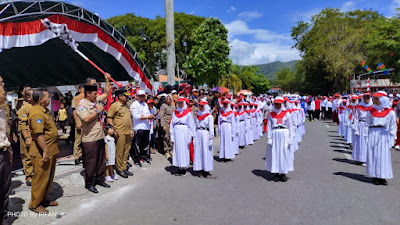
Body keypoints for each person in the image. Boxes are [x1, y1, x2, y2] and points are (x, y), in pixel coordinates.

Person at [77, 76, 111, 193]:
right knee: (91, 162)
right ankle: (90, 183)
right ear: (87, 94)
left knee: (101, 160)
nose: (96, 95)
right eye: (94, 94)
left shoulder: (96, 101)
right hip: (89, 138)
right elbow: (86, 119)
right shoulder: (82, 105)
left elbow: (106, 93)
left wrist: (107, 81)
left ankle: (100, 179)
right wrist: (97, 111)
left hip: (99, 136)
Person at [28, 89, 60, 213]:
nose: (50, 99)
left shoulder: (45, 111)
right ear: (41, 99)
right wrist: (45, 151)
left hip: (51, 150)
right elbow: (38, 134)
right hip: (42, 152)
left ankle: (44, 199)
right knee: (40, 178)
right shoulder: (37, 113)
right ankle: (35, 204)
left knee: (48, 177)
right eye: (48, 97)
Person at [364, 91, 397, 185]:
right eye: (374, 99)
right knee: (374, 155)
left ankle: (383, 176)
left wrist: (392, 139)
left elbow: (393, 127)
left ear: (383, 100)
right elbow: (367, 124)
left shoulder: (390, 112)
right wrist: (366, 136)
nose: (374, 101)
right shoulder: (371, 111)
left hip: (384, 135)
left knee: (383, 156)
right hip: (373, 133)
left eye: (377, 99)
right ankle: (375, 176)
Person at [265, 97, 294, 182]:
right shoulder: (271, 114)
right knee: (275, 153)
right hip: (275, 134)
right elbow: (269, 127)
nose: (277, 105)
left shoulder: (287, 114)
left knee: (283, 152)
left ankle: (283, 173)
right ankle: (276, 173)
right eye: (276, 104)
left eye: (279, 104)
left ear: (282, 104)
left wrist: (291, 138)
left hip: (284, 133)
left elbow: (290, 126)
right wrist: (269, 138)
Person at [107, 89, 134, 178]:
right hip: (120, 132)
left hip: (127, 131)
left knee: (126, 151)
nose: (127, 97)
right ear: (120, 96)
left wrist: (131, 129)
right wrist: (114, 129)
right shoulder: (115, 106)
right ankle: (119, 169)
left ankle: (124, 166)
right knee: (120, 151)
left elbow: (129, 119)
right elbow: (109, 118)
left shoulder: (126, 106)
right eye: (125, 96)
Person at [170, 97, 195, 176]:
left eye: (181, 103)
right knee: (178, 149)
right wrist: (172, 135)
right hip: (177, 131)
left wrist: (190, 136)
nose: (180, 104)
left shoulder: (188, 113)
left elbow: (191, 125)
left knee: (184, 149)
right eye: (179, 103)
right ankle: (179, 167)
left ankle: (184, 167)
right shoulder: (175, 112)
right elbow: (172, 124)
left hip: (184, 131)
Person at [130, 90, 154, 166]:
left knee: (145, 144)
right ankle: (136, 159)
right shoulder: (134, 105)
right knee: (137, 144)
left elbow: (147, 113)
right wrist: (147, 116)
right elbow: (136, 116)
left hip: (146, 127)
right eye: (140, 96)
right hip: (138, 127)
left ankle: (143, 157)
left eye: (143, 96)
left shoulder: (145, 104)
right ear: (136, 96)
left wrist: (150, 116)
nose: (142, 97)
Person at [16, 86, 34, 186]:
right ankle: (29, 177)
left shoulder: (35, 106)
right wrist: (26, 137)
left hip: (34, 135)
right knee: (27, 156)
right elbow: (22, 124)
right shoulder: (24, 107)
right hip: (26, 135)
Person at [193, 100, 214, 177]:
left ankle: (206, 169)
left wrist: (211, 138)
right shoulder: (197, 115)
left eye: (202, 106)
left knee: (206, 151)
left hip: (205, 134)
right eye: (200, 106)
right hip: (198, 133)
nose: (201, 108)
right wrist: (194, 137)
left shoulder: (209, 116)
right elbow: (194, 126)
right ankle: (200, 168)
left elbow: (211, 127)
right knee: (199, 151)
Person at [0, 85, 12, 223]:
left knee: (5, 187)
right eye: (3, 91)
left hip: (3, 152)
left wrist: (8, 148)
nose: (5, 93)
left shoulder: (2, 110)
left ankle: (3, 215)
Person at [353, 93, 372, 167]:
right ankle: (361, 158)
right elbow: (356, 118)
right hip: (361, 125)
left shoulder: (372, 107)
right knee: (361, 143)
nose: (366, 99)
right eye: (365, 98)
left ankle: (367, 160)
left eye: (368, 98)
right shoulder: (359, 107)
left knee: (368, 144)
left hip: (369, 126)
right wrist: (356, 129)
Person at [71, 84, 85, 165]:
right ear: (79, 90)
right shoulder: (75, 99)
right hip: (79, 121)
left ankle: (83, 155)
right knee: (78, 139)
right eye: (83, 89)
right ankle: (76, 156)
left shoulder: (87, 98)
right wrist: (77, 122)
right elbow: (74, 111)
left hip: (87, 122)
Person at [159, 95, 174, 163]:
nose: (168, 100)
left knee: (171, 138)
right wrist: (163, 125)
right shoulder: (163, 106)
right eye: (167, 99)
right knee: (166, 137)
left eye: (169, 99)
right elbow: (161, 116)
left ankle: (172, 150)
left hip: (172, 124)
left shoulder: (172, 106)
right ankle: (167, 151)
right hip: (166, 123)